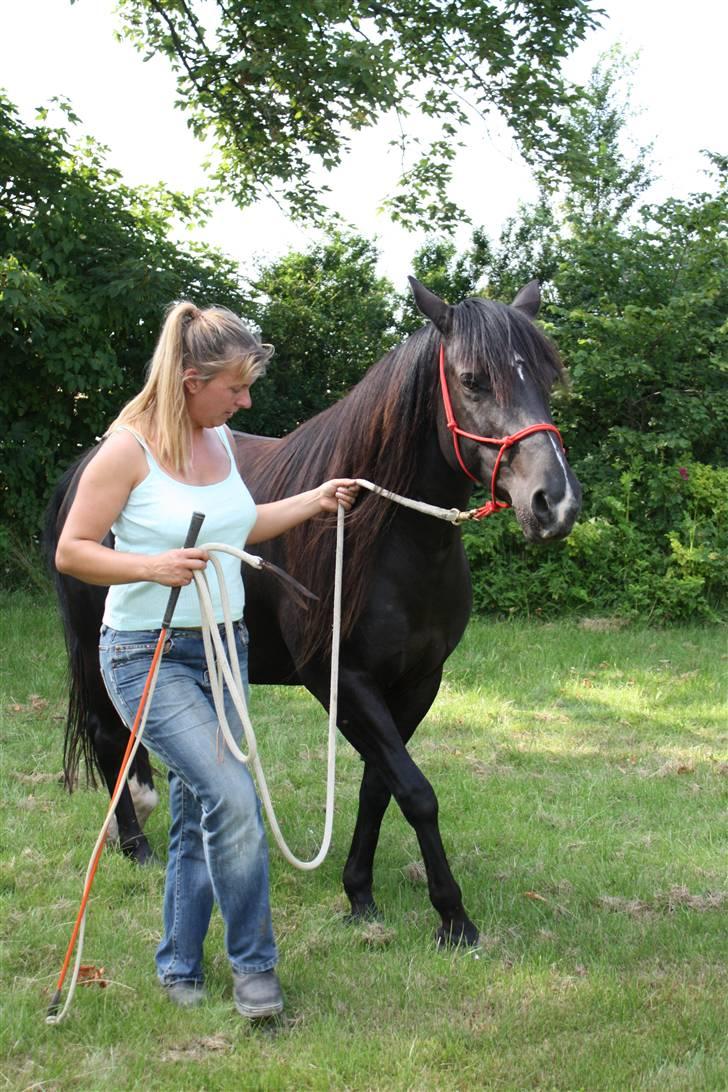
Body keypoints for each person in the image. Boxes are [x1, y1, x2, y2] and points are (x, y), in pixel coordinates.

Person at [55, 301, 359, 1019]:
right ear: (190, 380)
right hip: (145, 653)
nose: (247, 400)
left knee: (197, 813)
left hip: (225, 648)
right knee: (231, 797)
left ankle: (177, 964)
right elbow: (74, 549)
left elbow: (240, 523)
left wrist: (312, 501)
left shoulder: (219, 442)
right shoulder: (127, 449)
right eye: (235, 386)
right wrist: (149, 566)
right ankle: (256, 967)